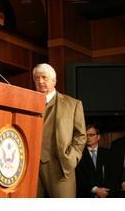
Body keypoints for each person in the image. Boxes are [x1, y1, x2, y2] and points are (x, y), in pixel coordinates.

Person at [33, 63, 86, 197]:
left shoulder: (73, 104)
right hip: (31, 168)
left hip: (61, 167)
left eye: (44, 77)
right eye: (36, 78)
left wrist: (71, 158)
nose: (40, 81)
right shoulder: (26, 102)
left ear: (54, 81)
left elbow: (80, 135)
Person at [75, 124, 111, 197]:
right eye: (86, 135)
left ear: (98, 137)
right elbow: (79, 177)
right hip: (86, 195)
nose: (88, 137)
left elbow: (112, 175)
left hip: (106, 195)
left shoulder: (108, 153)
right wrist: (95, 190)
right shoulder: (78, 154)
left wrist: (104, 191)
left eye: (91, 135)